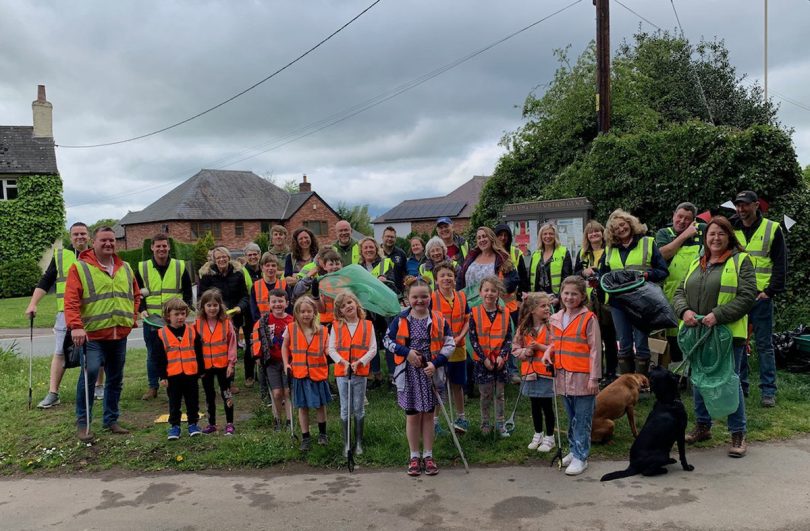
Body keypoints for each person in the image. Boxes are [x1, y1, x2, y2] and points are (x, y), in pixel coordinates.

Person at [672, 216, 756, 457]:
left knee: (729, 382)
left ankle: (738, 433)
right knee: (698, 378)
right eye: (711, 234)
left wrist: (718, 315)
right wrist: (684, 310)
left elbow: (748, 295)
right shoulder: (698, 263)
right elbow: (680, 291)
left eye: (721, 233)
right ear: (705, 238)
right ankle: (702, 426)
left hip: (726, 334)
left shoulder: (741, 261)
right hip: (697, 333)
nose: (716, 238)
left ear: (729, 236)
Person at [64, 226, 140, 441]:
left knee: (116, 378)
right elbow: (70, 301)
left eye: (112, 240)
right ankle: (83, 423)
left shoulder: (125, 267)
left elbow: (135, 294)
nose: (108, 244)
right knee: (90, 373)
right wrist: (76, 326)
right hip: (93, 335)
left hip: (119, 334)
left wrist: (131, 316)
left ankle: (111, 420)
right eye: (103, 240)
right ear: (94, 243)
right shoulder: (79, 268)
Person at [384, 277, 454, 476]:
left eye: (424, 296)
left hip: (430, 373)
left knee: (429, 416)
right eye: (415, 297)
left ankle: (428, 455)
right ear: (407, 298)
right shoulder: (401, 319)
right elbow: (386, 340)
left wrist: (436, 362)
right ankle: (414, 455)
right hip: (409, 375)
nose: (420, 300)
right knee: (413, 415)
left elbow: (450, 344)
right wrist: (406, 352)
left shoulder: (439, 319)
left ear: (430, 297)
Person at [730, 190, 787, 408]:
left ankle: (768, 391)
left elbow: (780, 263)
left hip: (761, 296)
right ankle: (741, 387)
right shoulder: (731, 227)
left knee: (764, 345)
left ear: (756, 205)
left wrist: (770, 291)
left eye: (745, 205)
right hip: (737, 295)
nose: (741, 209)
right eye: (738, 205)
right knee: (738, 343)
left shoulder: (773, 228)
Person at [27, 222, 92, 409]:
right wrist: (33, 303)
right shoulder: (61, 255)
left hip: (92, 311)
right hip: (66, 312)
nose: (80, 237)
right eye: (76, 234)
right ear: (70, 237)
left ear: (89, 236)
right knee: (60, 351)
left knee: (96, 349)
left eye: (83, 234)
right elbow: (46, 281)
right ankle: (53, 393)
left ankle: (98, 387)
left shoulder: (96, 255)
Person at [543, 276, 602, 476]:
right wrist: (547, 352)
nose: (569, 297)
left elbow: (595, 349)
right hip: (563, 377)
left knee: (582, 419)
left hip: (583, 378)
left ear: (582, 296)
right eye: (566, 293)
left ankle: (581, 456)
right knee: (571, 418)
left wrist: (594, 378)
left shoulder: (588, 318)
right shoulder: (556, 318)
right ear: (560, 294)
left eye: (574, 294)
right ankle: (573, 449)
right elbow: (555, 342)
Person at [600, 209, 668, 377]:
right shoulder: (609, 249)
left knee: (641, 342)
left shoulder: (647, 242)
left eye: (622, 225)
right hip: (618, 302)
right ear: (612, 232)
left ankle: (642, 383)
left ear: (630, 223)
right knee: (623, 343)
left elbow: (663, 271)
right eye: (616, 228)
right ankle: (627, 382)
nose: (621, 229)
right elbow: (602, 275)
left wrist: (647, 274)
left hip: (641, 301)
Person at [135, 233, 193, 401]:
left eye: (164, 246)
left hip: (173, 320)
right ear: (152, 247)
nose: (161, 249)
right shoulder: (142, 267)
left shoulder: (179, 266)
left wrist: (186, 308)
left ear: (169, 247)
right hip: (151, 319)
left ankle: (175, 385)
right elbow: (136, 292)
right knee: (153, 353)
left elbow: (188, 291)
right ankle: (153, 386)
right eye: (158, 246)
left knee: (175, 352)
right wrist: (142, 308)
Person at [328, 291, 377, 456]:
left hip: (360, 371)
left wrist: (360, 362)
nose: (347, 306)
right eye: (343, 306)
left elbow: (373, 348)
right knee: (345, 407)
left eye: (349, 302)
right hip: (343, 372)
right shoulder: (336, 326)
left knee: (359, 407)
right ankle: (347, 443)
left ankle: (359, 442)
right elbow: (331, 349)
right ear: (339, 311)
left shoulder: (368, 325)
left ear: (356, 303)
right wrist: (343, 362)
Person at [655, 202, 705, 363]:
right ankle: (677, 374)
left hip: (697, 292)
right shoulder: (664, 233)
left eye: (687, 219)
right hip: (670, 292)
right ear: (673, 215)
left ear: (693, 221)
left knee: (695, 331)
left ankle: (694, 371)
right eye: (679, 216)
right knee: (674, 335)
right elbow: (662, 255)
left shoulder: (703, 231)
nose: (682, 221)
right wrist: (685, 235)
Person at [282, 296, 331, 451]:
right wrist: (285, 363)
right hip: (300, 374)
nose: (306, 314)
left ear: (314, 312)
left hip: (318, 374)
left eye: (309, 311)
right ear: (297, 313)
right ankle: (306, 437)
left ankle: (323, 434)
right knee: (302, 407)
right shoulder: (290, 328)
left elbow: (328, 349)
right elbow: (285, 346)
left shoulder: (323, 330)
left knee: (320, 406)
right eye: (302, 311)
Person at [154, 299, 205, 440]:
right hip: (173, 375)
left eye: (183, 314)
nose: (180, 317)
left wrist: (201, 370)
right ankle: (175, 426)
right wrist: (162, 376)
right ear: (168, 316)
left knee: (192, 401)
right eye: (176, 314)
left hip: (191, 374)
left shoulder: (192, 331)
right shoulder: (161, 334)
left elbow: (199, 352)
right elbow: (159, 358)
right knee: (174, 402)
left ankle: (193, 424)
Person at [574, 220, 618, 384]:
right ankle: (596, 371)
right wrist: (583, 272)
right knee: (592, 339)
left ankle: (611, 372)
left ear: (602, 233)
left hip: (605, 300)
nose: (594, 235)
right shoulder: (582, 253)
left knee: (609, 337)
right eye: (590, 233)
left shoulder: (610, 250)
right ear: (587, 236)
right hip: (588, 301)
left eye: (597, 232)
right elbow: (575, 275)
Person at [199, 247, 250, 388]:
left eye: (224, 257)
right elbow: (201, 297)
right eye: (218, 258)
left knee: (230, 349)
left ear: (229, 257)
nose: (221, 260)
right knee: (213, 349)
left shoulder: (238, 274)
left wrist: (240, 307)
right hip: (212, 318)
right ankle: (209, 380)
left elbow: (245, 296)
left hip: (234, 316)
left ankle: (229, 381)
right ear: (214, 260)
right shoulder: (207, 275)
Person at [429, 261, 470, 433]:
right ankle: (435, 420)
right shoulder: (431, 298)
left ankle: (461, 417)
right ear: (436, 280)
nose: (446, 278)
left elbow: (468, 319)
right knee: (439, 385)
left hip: (459, 347)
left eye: (450, 275)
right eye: (442, 276)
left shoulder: (461, 296)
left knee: (457, 384)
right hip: (439, 350)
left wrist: (460, 336)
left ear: (455, 278)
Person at [469, 276, 512, 437]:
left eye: (493, 290)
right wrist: (483, 358)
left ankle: (500, 423)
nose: (490, 293)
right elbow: (473, 339)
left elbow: (508, 337)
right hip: (483, 362)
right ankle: (485, 423)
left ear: (498, 293)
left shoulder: (505, 313)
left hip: (500, 360)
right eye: (486, 290)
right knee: (485, 394)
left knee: (500, 394)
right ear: (480, 293)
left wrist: (502, 355)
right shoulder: (474, 313)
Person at [513, 292, 556, 453]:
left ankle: (550, 436)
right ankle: (538, 433)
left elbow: (556, 347)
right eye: (543, 306)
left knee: (547, 405)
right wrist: (526, 352)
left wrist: (539, 347)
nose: (547, 308)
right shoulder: (523, 329)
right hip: (530, 373)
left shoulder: (551, 326)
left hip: (545, 373)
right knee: (535, 405)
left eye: (548, 305)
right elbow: (515, 349)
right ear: (532, 309)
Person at [356, 237, 397, 388]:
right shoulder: (358, 268)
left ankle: (393, 375)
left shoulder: (385, 263)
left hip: (384, 308)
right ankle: (376, 375)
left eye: (371, 247)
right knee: (370, 342)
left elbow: (393, 284)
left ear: (376, 248)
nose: (368, 250)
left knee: (388, 341)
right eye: (365, 248)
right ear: (361, 251)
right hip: (366, 310)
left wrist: (385, 279)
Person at [252, 288, 293, 431]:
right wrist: (258, 356)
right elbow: (257, 340)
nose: (277, 304)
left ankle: (289, 421)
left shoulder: (291, 321)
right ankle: (277, 420)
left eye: (280, 301)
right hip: (271, 361)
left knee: (287, 392)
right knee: (277, 393)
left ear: (287, 303)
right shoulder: (263, 321)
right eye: (274, 302)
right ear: (269, 304)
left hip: (288, 361)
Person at [528, 223, 573, 307]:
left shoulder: (563, 252)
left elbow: (567, 278)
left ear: (555, 236)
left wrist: (559, 298)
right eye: (545, 234)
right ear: (541, 237)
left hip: (556, 299)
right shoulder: (535, 254)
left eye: (551, 234)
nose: (548, 236)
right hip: (538, 299)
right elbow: (530, 278)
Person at [494, 223, 529, 297]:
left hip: (513, 296)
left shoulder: (516, 252)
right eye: (500, 235)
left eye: (505, 235)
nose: (503, 238)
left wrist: (521, 297)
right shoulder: (490, 252)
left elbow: (523, 277)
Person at [381, 226, 407, 293]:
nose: (389, 239)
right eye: (387, 236)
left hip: (397, 293)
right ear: (382, 237)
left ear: (395, 239)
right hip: (379, 291)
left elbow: (405, 273)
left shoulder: (401, 254)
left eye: (392, 237)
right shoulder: (376, 252)